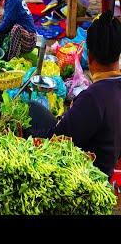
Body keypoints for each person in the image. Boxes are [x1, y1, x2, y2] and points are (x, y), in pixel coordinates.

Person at [27, 11, 121, 178]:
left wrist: (23, 134)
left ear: (89, 54)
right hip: (107, 165)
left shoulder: (94, 97)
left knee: (33, 111)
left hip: (82, 174)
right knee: (37, 109)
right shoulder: (112, 88)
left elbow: (58, 139)